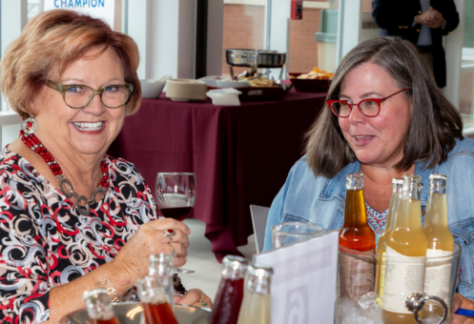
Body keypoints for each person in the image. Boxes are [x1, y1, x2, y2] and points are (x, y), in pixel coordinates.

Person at [0, 10, 211, 324]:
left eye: (112, 88)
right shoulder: (9, 190)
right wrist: (125, 270)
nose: (97, 107)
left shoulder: (126, 179)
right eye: (75, 89)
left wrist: (178, 304)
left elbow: (154, 288)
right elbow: (16, 316)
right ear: (31, 94)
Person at [262, 37, 474, 322]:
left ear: (415, 101)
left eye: (371, 103)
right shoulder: (308, 176)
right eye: (345, 104)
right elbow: (265, 294)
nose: (353, 119)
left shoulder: (466, 174)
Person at [372, 0, 459, 88]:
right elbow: (380, 17)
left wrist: (442, 23)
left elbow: (454, 19)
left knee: (433, 99)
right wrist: (417, 19)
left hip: (431, 58)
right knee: (396, 95)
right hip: (397, 56)